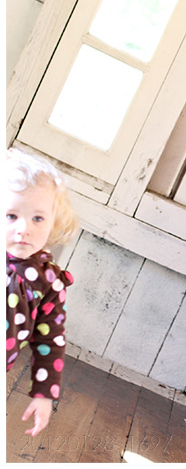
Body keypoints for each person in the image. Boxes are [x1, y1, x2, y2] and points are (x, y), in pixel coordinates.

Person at [6, 149, 78, 437]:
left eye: (38, 218)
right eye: (11, 215)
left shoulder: (50, 283)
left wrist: (44, 394)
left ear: (54, 222)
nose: (24, 228)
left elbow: (50, 339)